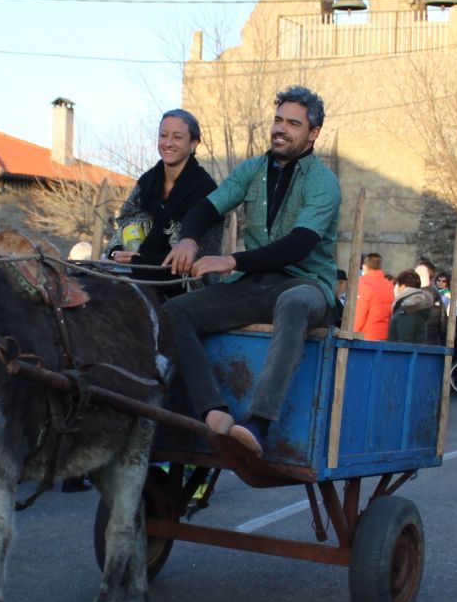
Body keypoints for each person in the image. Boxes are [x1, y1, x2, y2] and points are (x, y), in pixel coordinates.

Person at [163, 85, 342, 456]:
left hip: (307, 285)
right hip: (254, 284)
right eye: (278, 120)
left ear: (313, 134)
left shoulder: (324, 182)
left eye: (293, 123)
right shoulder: (251, 170)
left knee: (293, 303)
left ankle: (258, 424)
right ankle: (213, 410)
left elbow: (300, 244)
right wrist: (189, 239)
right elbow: (205, 208)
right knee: (175, 311)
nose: (281, 128)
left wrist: (231, 260)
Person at [107, 108, 220, 269]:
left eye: (177, 137)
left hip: (181, 278)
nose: (168, 143)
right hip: (134, 266)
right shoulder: (147, 182)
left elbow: (200, 252)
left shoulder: (205, 188)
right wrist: (116, 252)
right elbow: (126, 224)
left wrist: (140, 261)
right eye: (163, 135)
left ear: (193, 143)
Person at [386, 269, 439, 343]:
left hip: (401, 353)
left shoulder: (408, 307)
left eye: (397, 285)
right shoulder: (417, 305)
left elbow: (404, 340)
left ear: (402, 287)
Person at [352, 253, 392, 340]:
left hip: (366, 335)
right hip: (384, 334)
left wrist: (353, 333)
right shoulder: (388, 285)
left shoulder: (364, 284)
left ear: (364, 266)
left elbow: (360, 313)